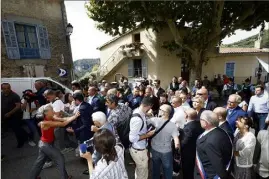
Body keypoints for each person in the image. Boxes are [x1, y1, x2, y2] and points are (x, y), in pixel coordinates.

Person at [29, 104, 80, 179]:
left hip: (46, 144)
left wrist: (73, 116)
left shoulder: (51, 117)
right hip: (45, 145)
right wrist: (74, 117)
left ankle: (32, 177)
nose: (53, 111)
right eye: (52, 110)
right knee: (60, 158)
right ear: (46, 113)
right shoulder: (45, 122)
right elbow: (63, 124)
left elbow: (64, 119)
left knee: (39, 162)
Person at [194, 110, 233, 179]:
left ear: (206, 122)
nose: (199, 121)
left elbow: (217, 162)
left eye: (201, 119)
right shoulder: (221, 131)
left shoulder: (210, 141)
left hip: (210, 175)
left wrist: (222, 176)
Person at [147, 104, 179, 179]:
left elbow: (144, 122)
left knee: (156, 169)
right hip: (166, 151)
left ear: (164, 112)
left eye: (160, 109)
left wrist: (148, 114)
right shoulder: (173, 125)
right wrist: (177, 150)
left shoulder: (154, 120)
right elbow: (176, 140)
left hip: (154, 149)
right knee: (168, 170)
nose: (159, 110)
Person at [129, 96, 156, 179]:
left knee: (139, 170)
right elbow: (132, 138)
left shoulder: (138, 111)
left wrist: (147, 115)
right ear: (150, 106)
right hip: (139, 150)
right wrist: (148, 135)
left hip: (139, 148)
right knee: (142, 173)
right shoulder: (138, 119)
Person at [1, 83, 28, 148]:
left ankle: (21, 142)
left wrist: (9, 113)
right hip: (5, 116)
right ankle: (26, 136)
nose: (7, 90)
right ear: (2, 89)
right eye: (5, 88)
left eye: (8, 88)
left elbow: (18, 106)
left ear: (10, 88)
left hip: (15, 116)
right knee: (16, 128)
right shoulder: (1, 95)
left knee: (16, 130)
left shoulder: (14, 96)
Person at [181, 108, 204, 179]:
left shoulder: (189, 128)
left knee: (187, 171)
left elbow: (184, 142)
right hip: (196, 151)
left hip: (188, 153)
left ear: (186, 116)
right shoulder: (199, 124)